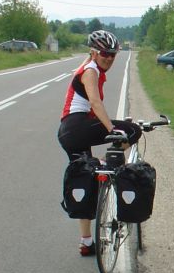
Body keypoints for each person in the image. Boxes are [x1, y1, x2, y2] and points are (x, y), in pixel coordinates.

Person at [57, 30, 142, 256]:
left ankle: (86, 242)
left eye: (113, 54)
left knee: (84, 179)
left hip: (68, 132)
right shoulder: (91, 71)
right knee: (132, 130)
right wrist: (112, 130)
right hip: (78, 125)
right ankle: (106, 160)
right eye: (105, 53)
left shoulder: (88, 66)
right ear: (94, 52)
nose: (109, 58)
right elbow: (94, 102)